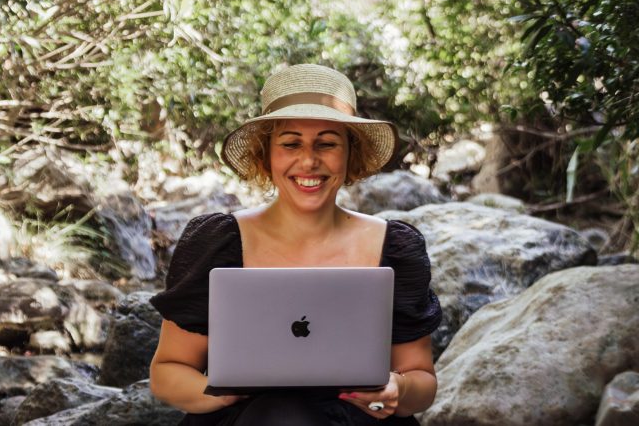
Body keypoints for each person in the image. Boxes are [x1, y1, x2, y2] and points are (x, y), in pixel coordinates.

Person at [149, 64, 442, 425]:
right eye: (290, 143)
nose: (309, 160)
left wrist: (397, 390)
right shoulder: (216, 242)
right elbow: (167, 371)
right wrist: (218, 391)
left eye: (327, 143)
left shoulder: (395, 246)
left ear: (351, 152)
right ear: (265, 154)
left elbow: (422, 381)